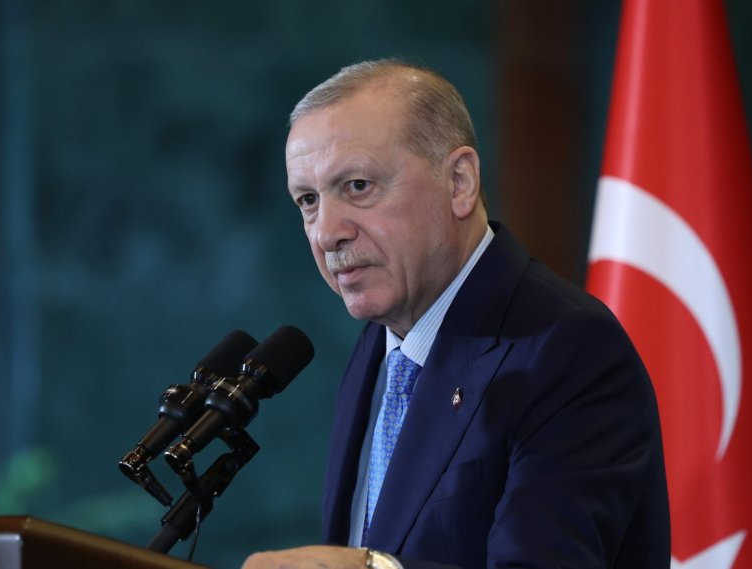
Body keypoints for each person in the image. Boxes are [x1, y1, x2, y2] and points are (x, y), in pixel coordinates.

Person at [243, 59, 669, 568]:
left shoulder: (568, 350)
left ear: (460, 182)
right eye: (308, 200)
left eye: (358, 186)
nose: (326, 231)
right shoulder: (379, 347)